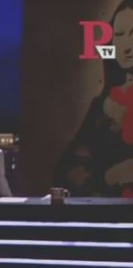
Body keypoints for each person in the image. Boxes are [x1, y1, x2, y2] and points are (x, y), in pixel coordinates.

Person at [54, 0, 133, 197]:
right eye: (119, 35)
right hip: (110, 212)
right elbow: (67, 174)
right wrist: (111, 176)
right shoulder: (102, 107)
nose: (127, 46)